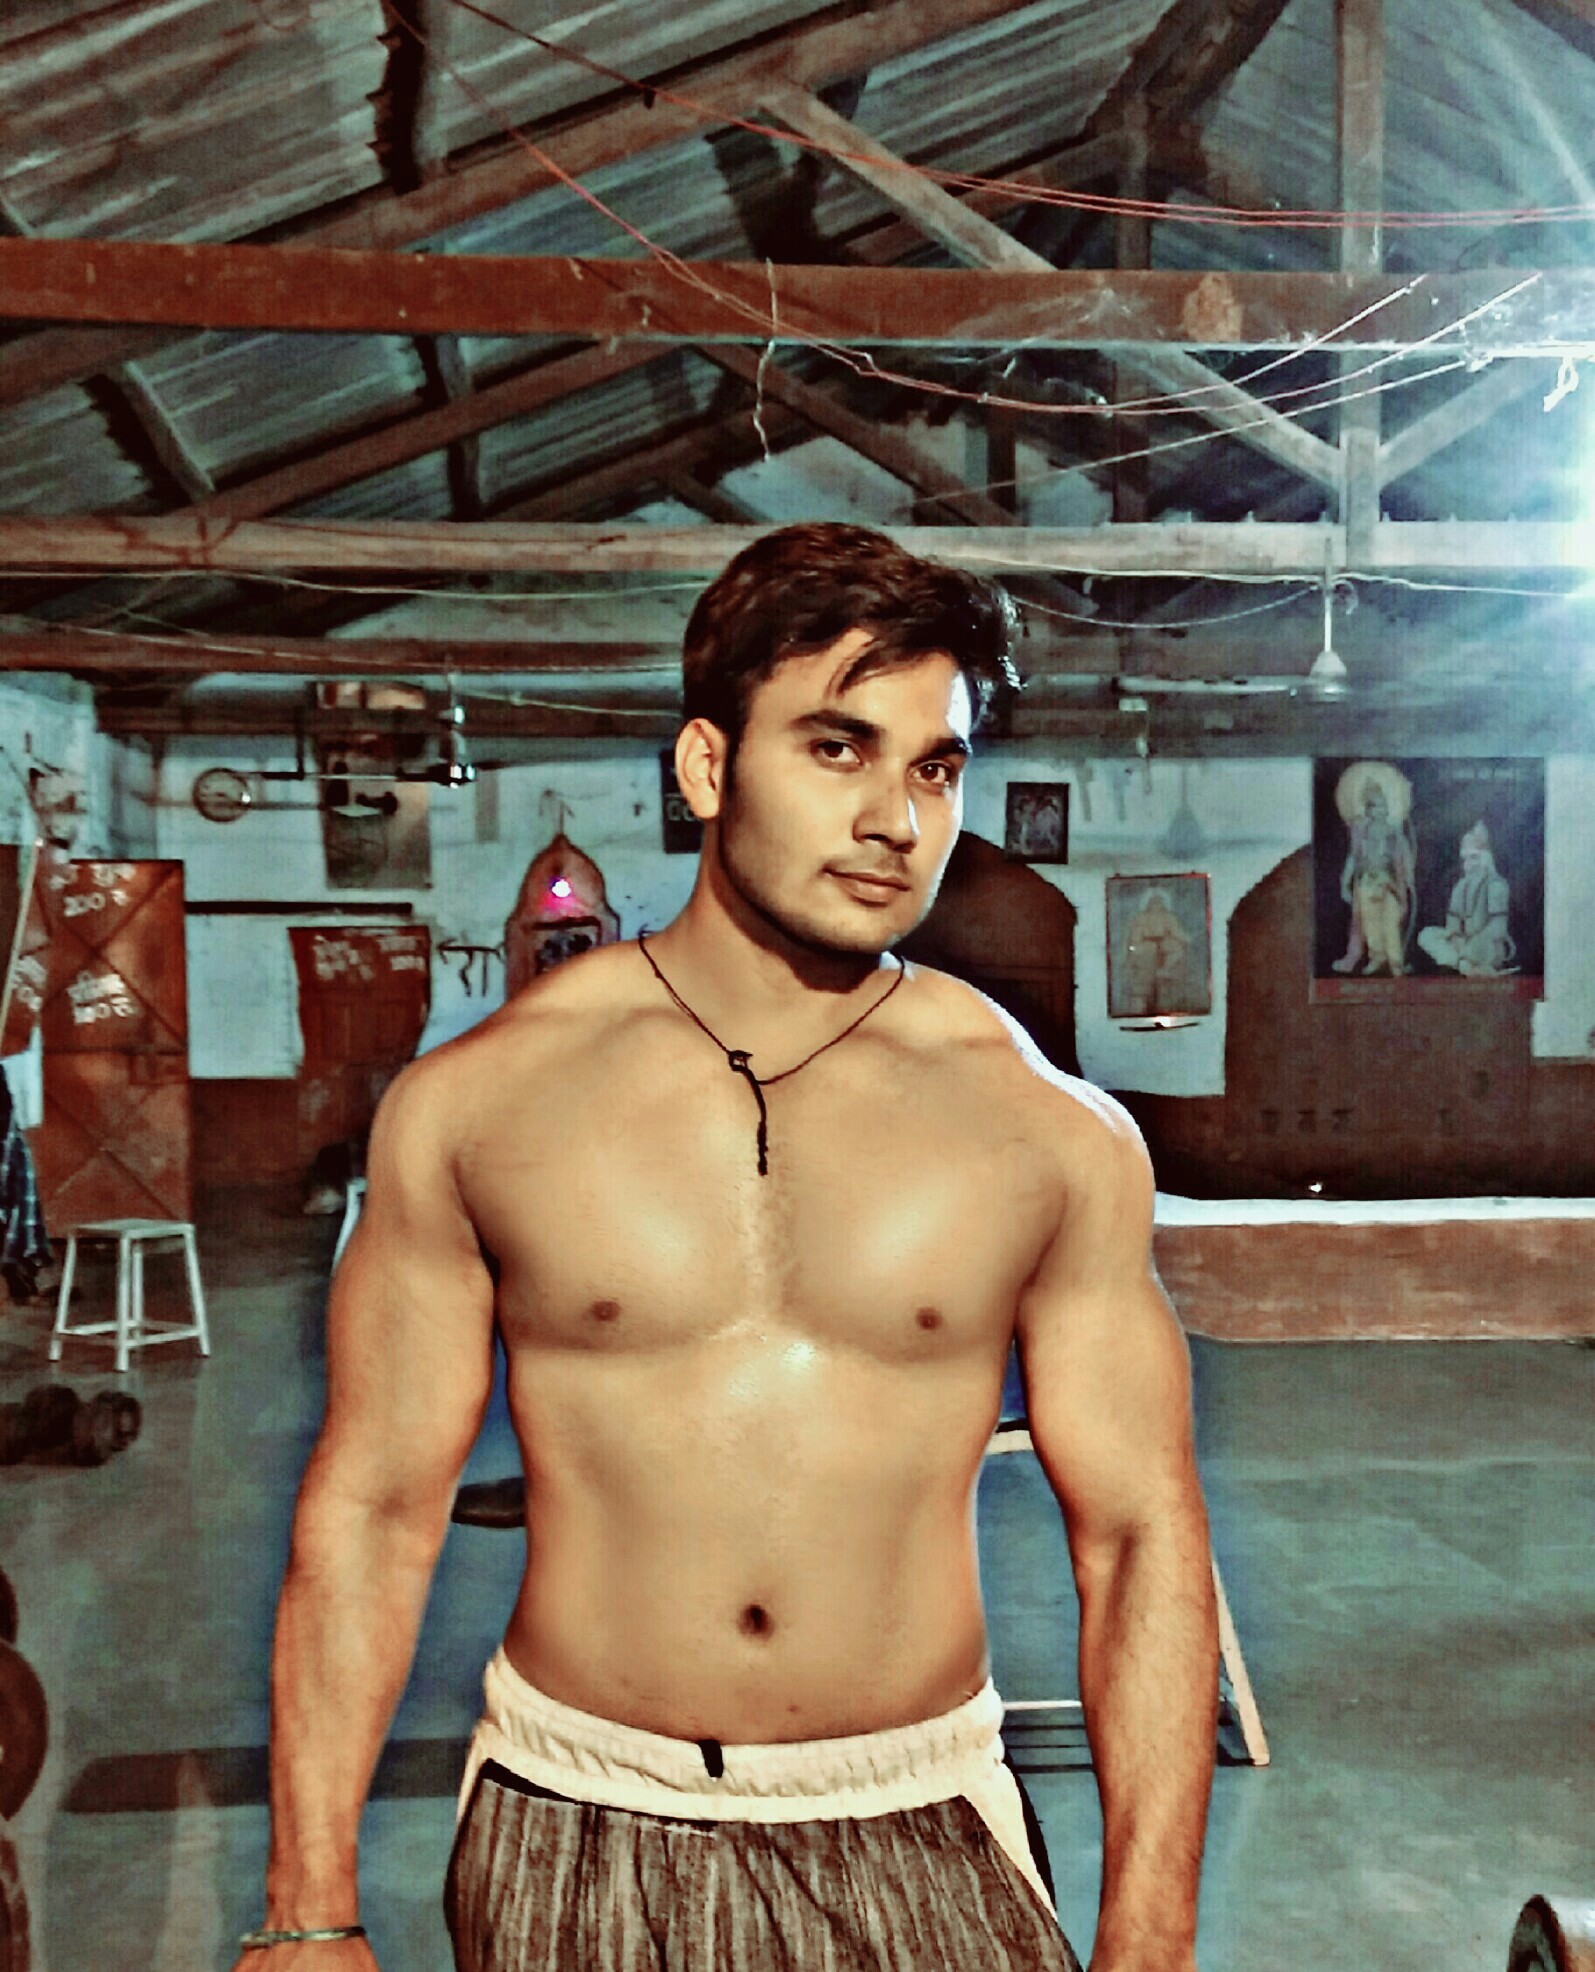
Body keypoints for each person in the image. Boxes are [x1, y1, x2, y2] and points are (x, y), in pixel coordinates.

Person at [235, 523, 1219, 1972]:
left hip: (914, 1811)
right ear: (708, 767)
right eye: (837, 748)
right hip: (576, 1805)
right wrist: (308, 1907)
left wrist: (1150, 1936)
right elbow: (375, 1507)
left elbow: (1139, 1539)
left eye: (934, 768)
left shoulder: (1043, 1128)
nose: (895, 818)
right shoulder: (480, 1105)